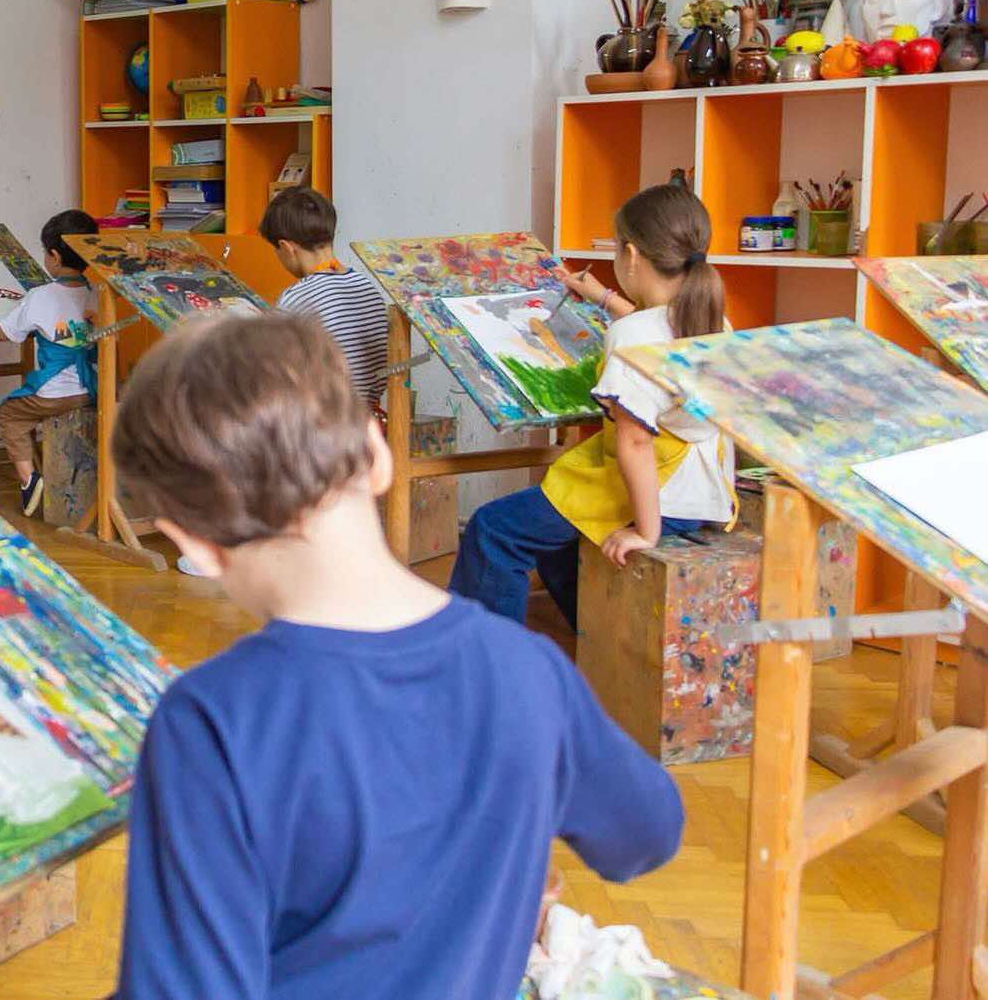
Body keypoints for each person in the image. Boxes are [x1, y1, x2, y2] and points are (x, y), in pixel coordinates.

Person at [109, 311, 684, 1000]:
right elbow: (647, 832)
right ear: (376, 452)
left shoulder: (210, 722)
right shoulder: (525, 667)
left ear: (192, 543)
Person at [450, 184, 736, 630]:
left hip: (658, 496)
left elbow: (636, 442)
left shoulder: (633, 336)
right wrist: (604, 298)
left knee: (493, 530)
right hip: (703, 492)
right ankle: (600, 645)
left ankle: (489, 655)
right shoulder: (713, 319)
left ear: (631, 254)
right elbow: (653, 333)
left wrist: (645, 531)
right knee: (559, 541)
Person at [0, 209, 98, 516]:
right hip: (90, 389)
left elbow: (6, 333)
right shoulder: (94, 292)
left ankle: (29, 480)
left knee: (10, 413)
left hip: (54, 394)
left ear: (54, 256)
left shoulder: (41, 295)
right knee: (30, 404)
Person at [259, 186, 389, 409]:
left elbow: (265, 366)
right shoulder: (365, 285)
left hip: (318, 417)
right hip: (364, 412)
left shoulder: (297, 296)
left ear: (286, 248)